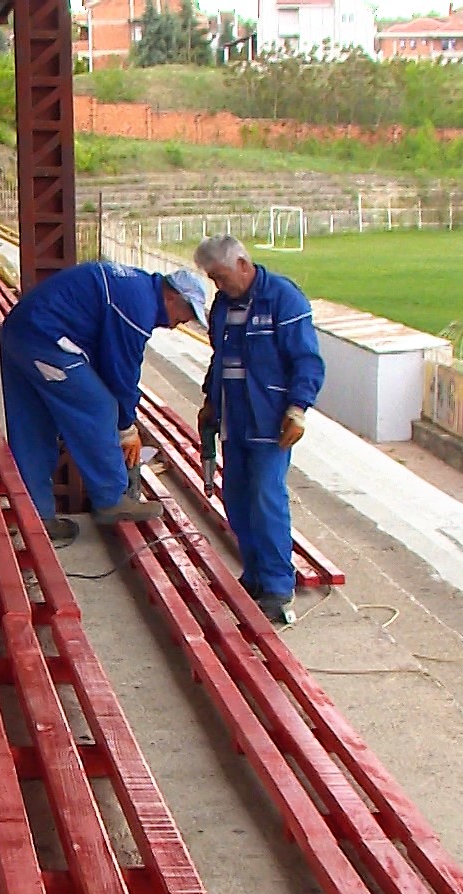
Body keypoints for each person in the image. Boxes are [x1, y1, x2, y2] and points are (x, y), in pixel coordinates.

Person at [0, 261, 211, 545]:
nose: (179, 324)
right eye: (185, 315)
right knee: (100, 408)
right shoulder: (139, 307)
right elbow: (121, 373)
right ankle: (111, 499)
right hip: (47, 340)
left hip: (20, 332)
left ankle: (35, 517)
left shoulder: (135, 288)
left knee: (33, 428)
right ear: (172, 296)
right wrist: (126, 427)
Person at [192, 235, 325, 624]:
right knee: (236, 499)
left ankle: (277, 584)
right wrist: (211, 402)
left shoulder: (284, 299)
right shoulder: (222, 306)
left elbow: (307, 360)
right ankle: (255, 575)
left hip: (269, 421)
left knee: (266, 501)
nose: (218, 285)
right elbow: (220, 359)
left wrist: (298, 407)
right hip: (234, 420)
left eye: (221, 276)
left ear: (243, 265)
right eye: (212, 279)